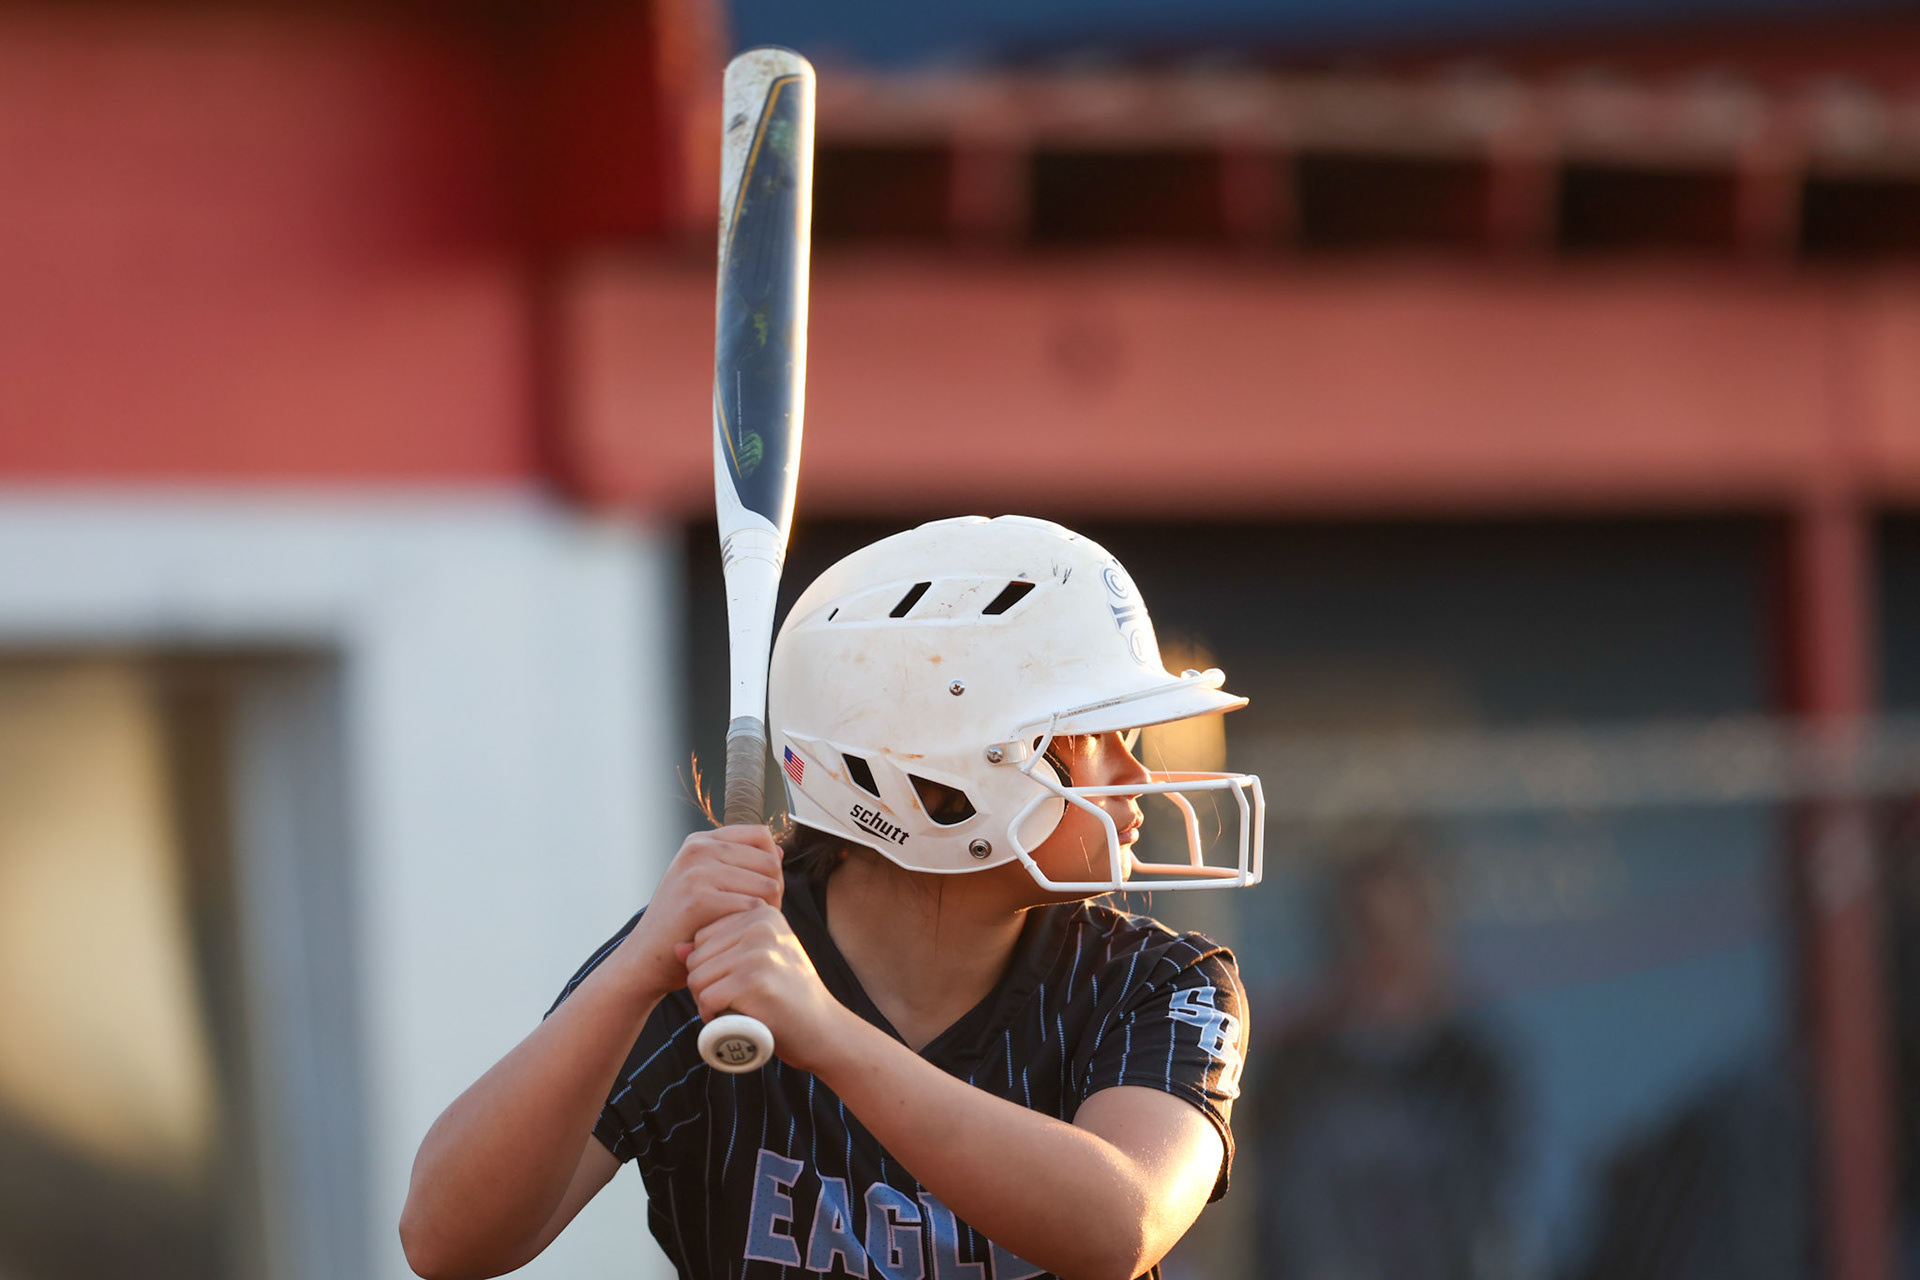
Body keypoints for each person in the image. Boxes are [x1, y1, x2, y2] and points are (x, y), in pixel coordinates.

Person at [399, 515, 1264, 1280]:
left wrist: (825, 1034)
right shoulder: (719, 957)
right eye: (1092, 740)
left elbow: (1118, 1226)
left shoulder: (1155, 980)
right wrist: (632, 975)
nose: (1139, 778)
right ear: (938, 782)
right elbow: (446, 1244)